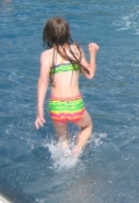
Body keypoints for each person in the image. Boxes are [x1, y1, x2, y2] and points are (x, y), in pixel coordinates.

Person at [35, 16, 99, 156]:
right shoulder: (76, 50)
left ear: (48, 34)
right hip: (74, 103)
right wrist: (93, 54)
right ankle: (77, 149)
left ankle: (64, 157)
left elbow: (43, 81)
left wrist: (39, 109)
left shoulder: (46, 55)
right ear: (69, 32)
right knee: (87, 126)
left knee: (63, 139)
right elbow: (90, 74)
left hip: (56, 106)